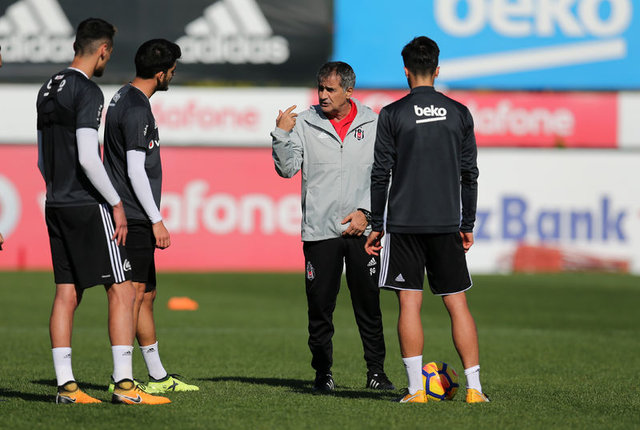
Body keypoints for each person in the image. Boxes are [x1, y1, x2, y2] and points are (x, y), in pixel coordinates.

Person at [36, 18, 169, 405]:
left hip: (55, 202)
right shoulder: (88, 90)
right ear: (103, 50)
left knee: (66, 292)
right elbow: (87, 157)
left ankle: (66, 387)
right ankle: (125, 385)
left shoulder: (47, 88)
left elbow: (42, 158)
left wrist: (56, 189)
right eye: (108, 55)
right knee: (123, 289)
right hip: (85, 203)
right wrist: (115, 202)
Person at [364, 36, 489, 403]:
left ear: (406, 71)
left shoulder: (392, 114)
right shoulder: (460, 112)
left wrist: (376, 224)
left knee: (409, 304)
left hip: (404, 223)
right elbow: (470, 173)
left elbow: (380, 173)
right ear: (437, 70)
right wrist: (467, 223)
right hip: (446, 222)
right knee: (457, 304)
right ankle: (475, 390)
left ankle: (416, 390)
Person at [272, 61, 394, 393]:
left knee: (369, 306)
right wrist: (281, 134)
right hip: (320, 232)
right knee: (320, 308)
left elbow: (386, 175)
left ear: (349, 91)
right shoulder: (304, 122)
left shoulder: (374, 123)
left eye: (331, 89)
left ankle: (376, 373)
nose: (323, 95)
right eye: (320, 88)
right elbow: (287, 170)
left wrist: (367, 214)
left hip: (362, 231)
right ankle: (323, 373)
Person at [103, 38, 198, 393]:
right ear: (161, 74)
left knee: (146, 294)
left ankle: (158, 377)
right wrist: (155, 218)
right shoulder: (136, 108)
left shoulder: (124, 97)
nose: (172, 75)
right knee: (131, 294)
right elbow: (135, 169)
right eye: (172, 70)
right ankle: (122, 378)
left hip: (132, 213)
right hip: (133, 216)